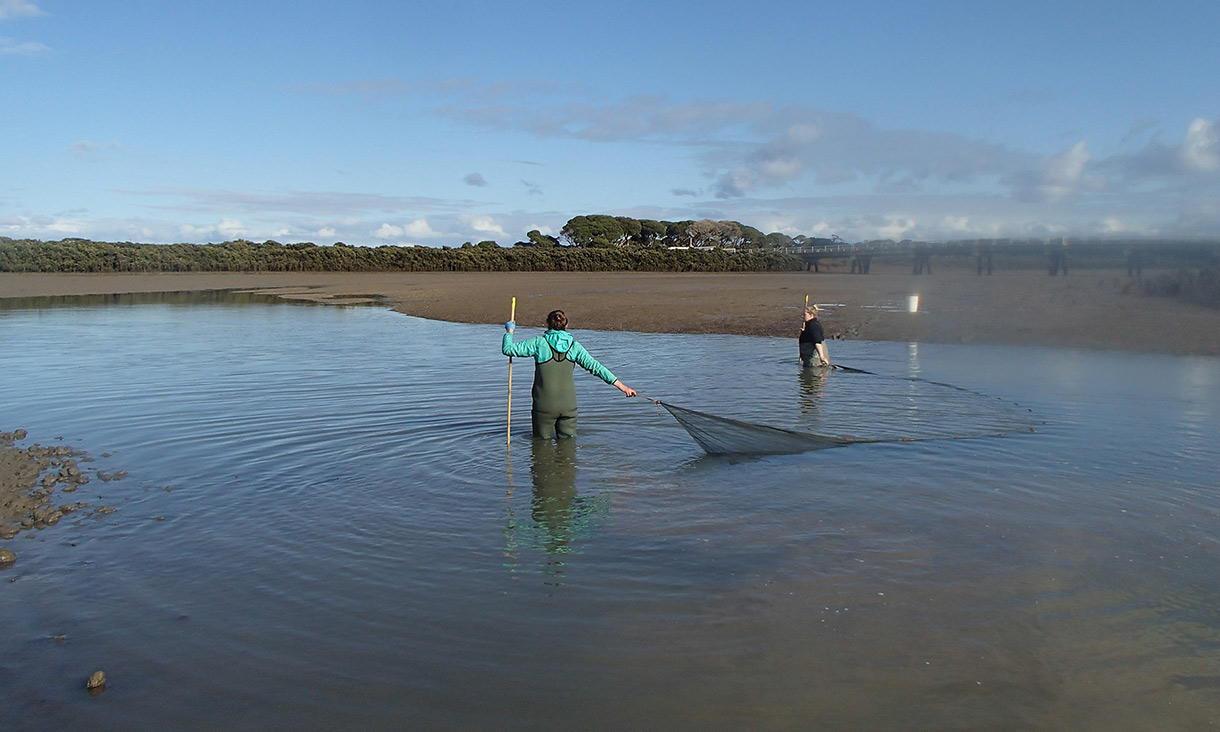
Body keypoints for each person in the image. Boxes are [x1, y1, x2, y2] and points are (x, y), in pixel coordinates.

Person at [502, 309, 636, 439]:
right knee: (568, 448)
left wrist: (510, 332)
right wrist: (623, 387)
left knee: (541, 449)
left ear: (547, 324)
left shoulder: (539, 343)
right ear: (567, 325)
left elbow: (508, 349)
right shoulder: (574, 346)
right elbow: (597, 368)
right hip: (569, 407)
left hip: (544, 406)